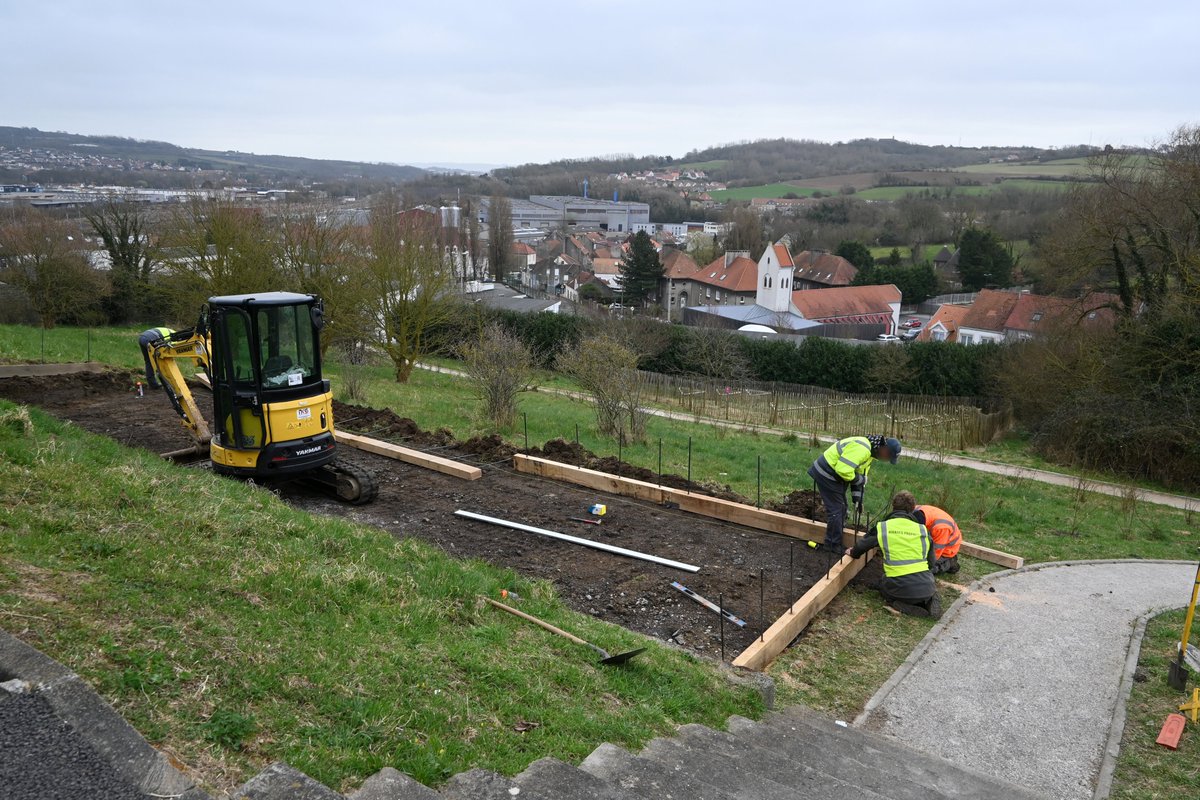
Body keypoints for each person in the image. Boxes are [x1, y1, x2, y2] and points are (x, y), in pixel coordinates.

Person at [846, 490, 941, 618]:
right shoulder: (922, 530)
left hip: (899, 586)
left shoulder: (883, 527)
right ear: (912, 509)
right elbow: (931, 562)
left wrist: (852, 552)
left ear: (893, 507)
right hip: (927, 584)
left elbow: (862, 546)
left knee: (882, 585)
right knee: (920, 589)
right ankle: (928, 599)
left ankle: (900, 604)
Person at [807, 434, 901, 552]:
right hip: (826, 473)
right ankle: (832, 544)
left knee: (841, 507)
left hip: (834, 475)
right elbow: (843, 470)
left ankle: (837, 533)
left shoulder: (870, 454)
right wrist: (859, 479)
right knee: (838, 509)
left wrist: (858, 500)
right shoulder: (863, 449)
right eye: (889, 457)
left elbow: (858, 477)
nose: (887, 461)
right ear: (884, 450)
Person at [914, 503, 962, 574]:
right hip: (932, 539)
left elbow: (935, 554)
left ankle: (950, 562)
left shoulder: (941, 528)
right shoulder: (914, 510)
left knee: (927, 570)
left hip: (946, 550)